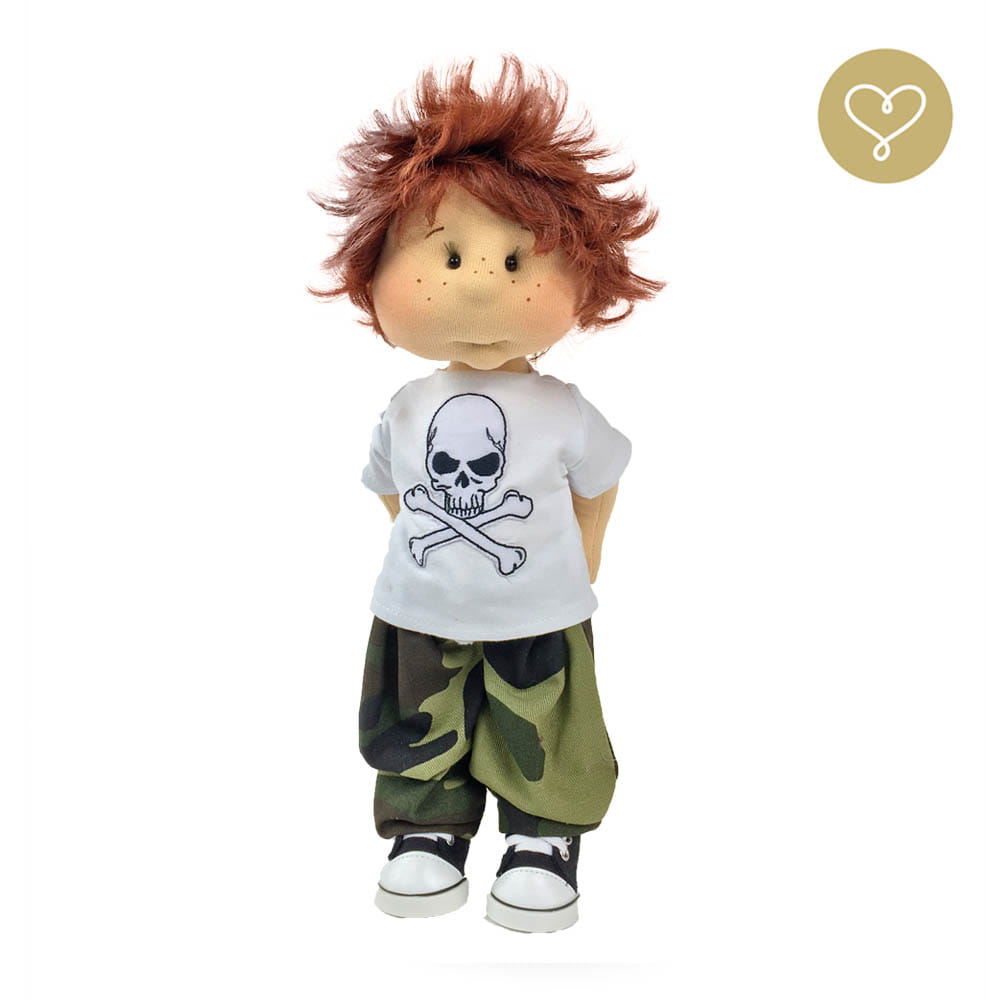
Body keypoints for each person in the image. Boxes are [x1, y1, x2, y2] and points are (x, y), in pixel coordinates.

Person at [309, 56, 662, 933]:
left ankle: (543, 836)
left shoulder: (563, 408)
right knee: (414, 720)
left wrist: (583, 559)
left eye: (513, 260)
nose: (474, 284)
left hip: (540, 613)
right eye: (448, 255)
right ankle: (426, 829)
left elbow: (603, 480)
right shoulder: (406, 405)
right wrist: (423, 557)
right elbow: (393, 491)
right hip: (416, 612)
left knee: (546, 724)